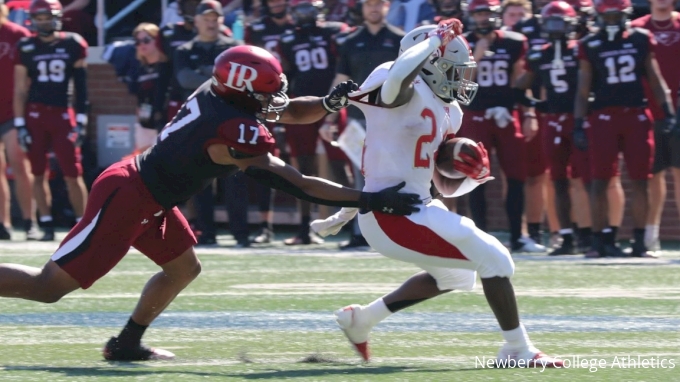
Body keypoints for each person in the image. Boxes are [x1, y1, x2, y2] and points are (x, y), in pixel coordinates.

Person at [0, 45, 421, 361]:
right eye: (263, 93)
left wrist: (332, 103)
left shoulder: (222, 95)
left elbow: (287, 111)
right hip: (129, 196)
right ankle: (126, 342)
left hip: (153, 196)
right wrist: (369, 198)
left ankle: (126, 344)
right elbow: (296, 183)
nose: (270, 101)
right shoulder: (230, 125)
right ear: (241, 91)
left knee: (183, 268)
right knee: (48, 288)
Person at [312, 20, 561, 367]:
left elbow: (440, 181)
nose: (462, 79)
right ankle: (517, 349)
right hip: (389, 213)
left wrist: (473, 175)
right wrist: (436, 38)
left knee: (457, 275)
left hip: (416, 205)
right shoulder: (397, 83)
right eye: (455, 71)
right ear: (430, 63)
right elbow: (399, 75)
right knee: (496, 259)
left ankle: (362, 320)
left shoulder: (451, 110)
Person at [573, 0, 674, 257]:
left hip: (637, 115)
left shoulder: (641, 38)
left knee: (642, 179)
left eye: (614, 16)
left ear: (625, 15)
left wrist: (668, 112)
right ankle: (600, 240)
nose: (610, 21)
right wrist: (578, 123)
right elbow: (583, 89)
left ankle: (640, 240)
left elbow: (655, 78)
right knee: (600, 180)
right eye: (606, 17)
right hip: (603, 117)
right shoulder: (589, 44)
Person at [458, 0, 544, 253]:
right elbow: (460, 87)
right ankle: (480, 236)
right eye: (479, 13)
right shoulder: (462, 43)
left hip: (506, 114)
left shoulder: (514, 41)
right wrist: (479, 54)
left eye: (487, 13)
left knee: (516, 175)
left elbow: (520, 80)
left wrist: (528, 113)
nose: (483, 18)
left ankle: (518, 235)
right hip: (475, 114)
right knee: (475, 176)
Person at [319, 0, 405, 250]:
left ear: (387, 6)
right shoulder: (349, 41)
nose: (374, 8)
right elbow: (341, 81)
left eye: (379, 3)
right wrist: (329, 117)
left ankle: (398, 231)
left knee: (399, 174)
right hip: (360, 119)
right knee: (361, 178)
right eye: (369, 4)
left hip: (395, 118)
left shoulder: (401, 40)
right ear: (363, 8)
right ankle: (360, 234)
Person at [513, 1, 591, 255]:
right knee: (558, 179)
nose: (555, 28)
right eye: (551, 22)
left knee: (585, 178)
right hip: (554, 119)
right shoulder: (540, 54)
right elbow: (518, 86)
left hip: (579, 119)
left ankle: (589, 234)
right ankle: (567, 236)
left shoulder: (581, 49)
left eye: (560, 22)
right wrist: (538, 104)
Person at [13, 0, 89, 241]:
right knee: (37, 172)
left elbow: (82, 86)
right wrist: (19, 123)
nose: (44, 22)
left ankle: (83, 224)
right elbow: (20, 90)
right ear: (33, 20)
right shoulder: (26, 46)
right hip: (35, 114)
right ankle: (45, 223)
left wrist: (82, 117)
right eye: (40, 18)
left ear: (56, 17)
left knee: (72, 171)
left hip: (63, 112)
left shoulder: (73, 43)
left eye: (48, 17)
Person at [277, 0, 351, 245]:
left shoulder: (334, 31)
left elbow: (345, 64)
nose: (305, 14)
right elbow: (284, 74)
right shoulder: (287, 39)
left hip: (332, 102)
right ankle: (303, 228)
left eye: (308, 8)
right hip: (300, 104)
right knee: (302, 169)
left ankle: (357, 227)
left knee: (341, 163)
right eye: (300, 8)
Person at [631, 0, 680, 253]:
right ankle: (651, 235)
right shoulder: (636, 28)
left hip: (678, 111)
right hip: (647, 111)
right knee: (652, 175)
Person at [245, 0, 294, 244]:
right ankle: (266, 224)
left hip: (297, 98)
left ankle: (308, 227)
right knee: (263, 161)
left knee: (302, 164)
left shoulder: (300, 30)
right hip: (265, 100)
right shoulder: (256, 29)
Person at [0, 0, 38, 241]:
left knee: (20, 164)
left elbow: (32, 74)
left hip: (14, 112)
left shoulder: (18, 34)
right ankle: (3, 223)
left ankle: (29, 221)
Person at [131, 23, 171, 154]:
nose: (142, 44)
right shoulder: (139, 68)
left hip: (164, 122)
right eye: (138, 41)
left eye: (146, 40)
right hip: (144, 122)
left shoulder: (166, 66)